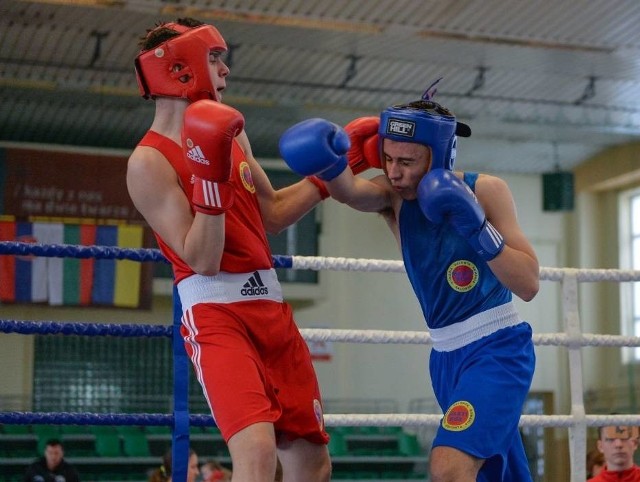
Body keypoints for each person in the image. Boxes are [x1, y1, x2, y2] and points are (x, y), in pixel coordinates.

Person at [279, 82, 540, 482]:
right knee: (495, 473)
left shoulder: (485, 190)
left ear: (440, 156)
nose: (396, 173)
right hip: (445, 357)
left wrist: (477, 227)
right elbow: (349, 192)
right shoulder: (392, 196)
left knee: (449, 467)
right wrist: (331, 164)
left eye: (408, 161)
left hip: (498, 350)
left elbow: (528, 283)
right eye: (387, 159)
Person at [127, 17, 331, 482]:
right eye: (215, 59)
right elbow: (201, 257)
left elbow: (274, 212)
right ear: (179, 68)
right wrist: (210, 185)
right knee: (257, 454)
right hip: (216, 312)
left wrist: (335, 171)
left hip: (271, 306)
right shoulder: (148, 161)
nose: (226, 71)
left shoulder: (232, 131)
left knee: (312, 463)